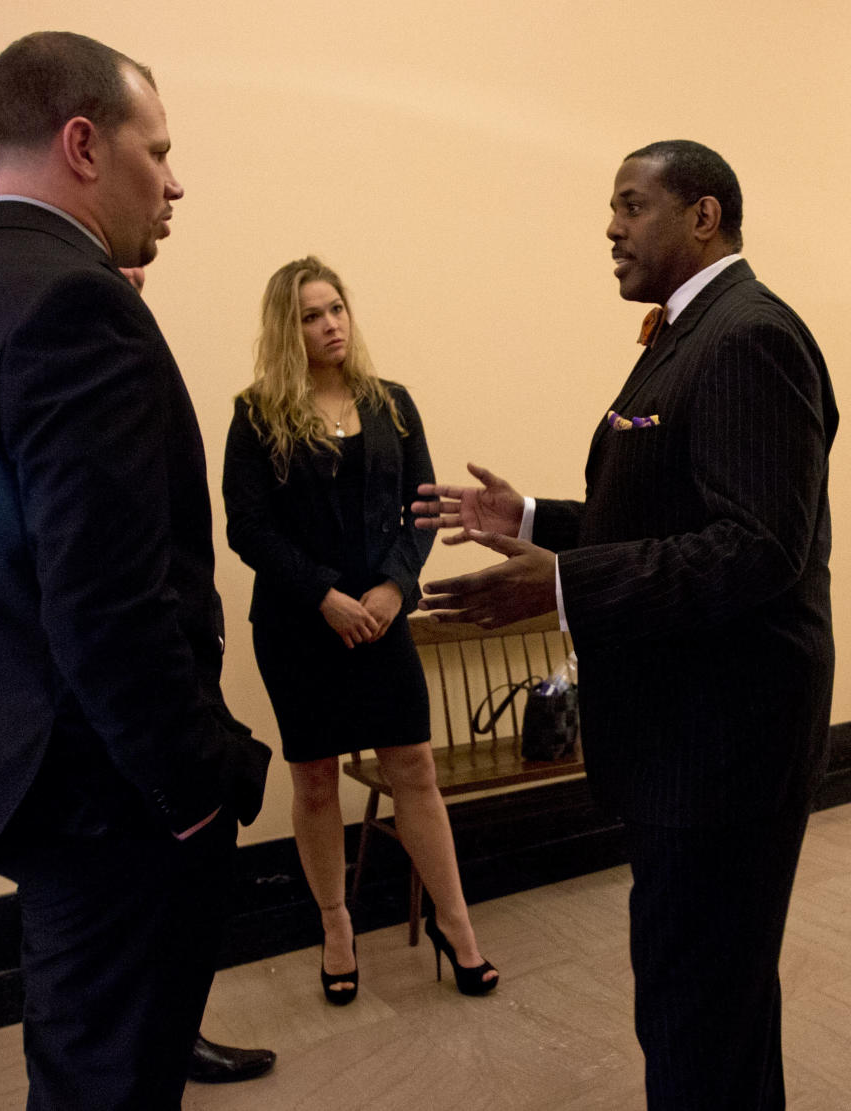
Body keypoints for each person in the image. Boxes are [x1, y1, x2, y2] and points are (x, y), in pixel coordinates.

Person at [0, 32, 272, 1110]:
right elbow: (105, 603)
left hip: (21, 772)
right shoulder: (77, 306)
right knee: (109, 1082)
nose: (176, 180)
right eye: (158, 150)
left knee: (81, 1062)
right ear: (83, 144)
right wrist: (194, 791)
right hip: (110, 801)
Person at [412, 141, 837, 1108]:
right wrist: (525, 522)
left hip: (723, 750)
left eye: (631, 205)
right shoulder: (693, 333)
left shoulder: (748, 336)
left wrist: (559, 583)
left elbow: (752, 548)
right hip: (686, 741)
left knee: (699, 1020)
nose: (611, 227)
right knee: (707, 1009)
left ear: (704, 215)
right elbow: (667, 518)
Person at [222, 256, 498, 1002]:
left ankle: (456, 924)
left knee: (415, 769)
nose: (330, 323)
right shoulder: (256, 415)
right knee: (314, 779)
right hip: (300, 625)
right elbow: (246, 528)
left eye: (337, 307)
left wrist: (392, 589)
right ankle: (336, 926)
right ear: (289, 327)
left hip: (382, 619)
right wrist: (326, 596)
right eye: (311, 314)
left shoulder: (392, 404)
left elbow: (422, 512)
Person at [118, 267, 276, 1086]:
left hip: (175, 673)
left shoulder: (123, 356)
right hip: (143, 707)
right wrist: (198, 775)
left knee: (181, 901)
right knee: (158, 895)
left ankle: (174, 1032)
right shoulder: (78, 346)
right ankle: (158, 1040)